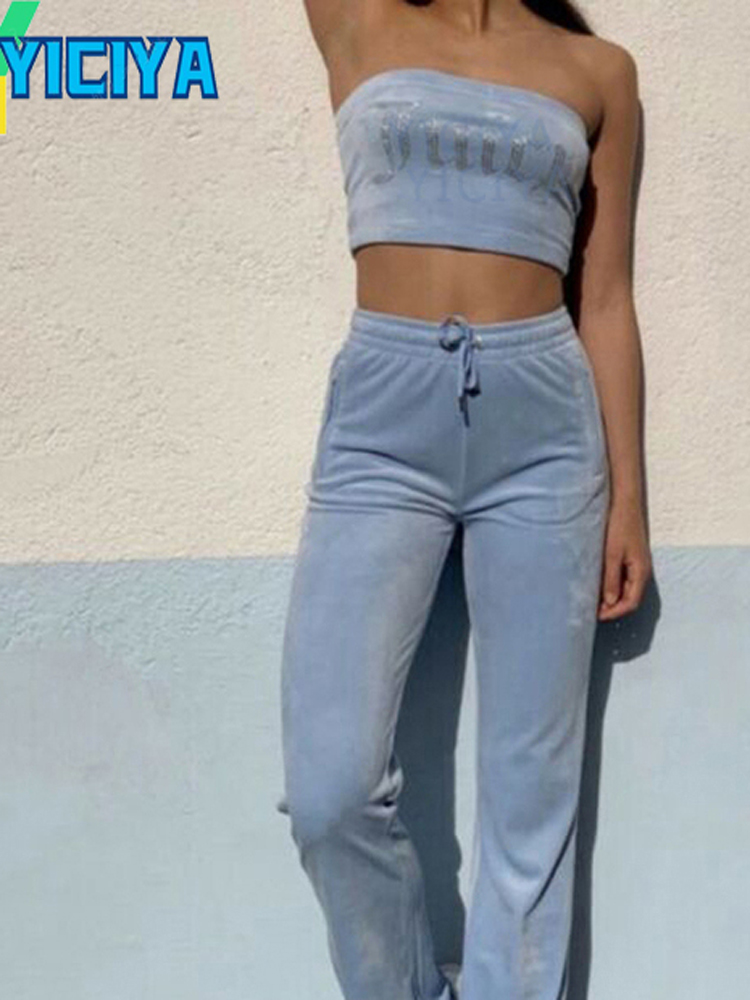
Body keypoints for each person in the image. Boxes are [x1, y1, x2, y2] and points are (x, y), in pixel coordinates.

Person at [277, 1, 652, 998]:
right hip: (382, 424)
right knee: (329, 790)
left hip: (546, 430)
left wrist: (629, 502)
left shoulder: (598, 71)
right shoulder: (356, 21)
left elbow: (605, 298)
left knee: (532, 798)